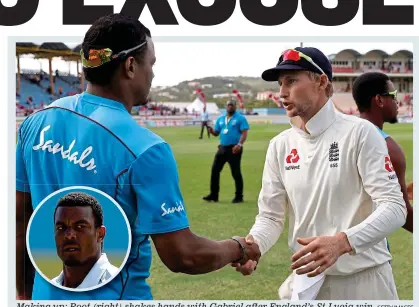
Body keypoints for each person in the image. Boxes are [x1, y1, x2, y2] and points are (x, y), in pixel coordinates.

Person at [16, 13, 260, 300]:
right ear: (131, 65)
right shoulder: (146, 148)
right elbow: (183, 255)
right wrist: (239, 247)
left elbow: (19, 221)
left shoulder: (34, 124)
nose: (153, 73)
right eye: (151, 63)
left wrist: (22, 294)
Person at [232, 47, 407, 300]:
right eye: (281, 84)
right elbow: (270, 216)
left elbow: (394, 207)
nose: (282, 93)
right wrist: (254, 246)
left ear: (322, 81)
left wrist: (343, 242)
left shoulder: (360, 133)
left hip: (364, 281)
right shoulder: (280, 145)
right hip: (306, 282)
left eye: (291, 81)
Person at [352, 72, 413, 233]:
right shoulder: (388, 147)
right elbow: (403, 212)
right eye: (393, 96)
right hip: (367, 250)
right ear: (379, 100)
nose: (397, 101)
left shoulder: (343, 134)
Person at [52, 192, 118, 289]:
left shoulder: (121, 285)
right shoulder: (47, 289)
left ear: (100, 233)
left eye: (80, 226)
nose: (69, 235)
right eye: (61, 228)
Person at [203, 100, 249, 203]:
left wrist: (239, 145)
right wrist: (211, 131)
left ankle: (239, 196)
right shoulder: (220, 118)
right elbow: (216, 133)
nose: (230, 107)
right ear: (226, 106)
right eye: (228, 105)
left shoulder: (240, 118)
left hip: (234, 149)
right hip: (222, 148)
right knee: (215, 171)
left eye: (232, 105)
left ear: (235, 106)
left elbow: (244, 133)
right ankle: (214, 195)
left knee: (236, 173)